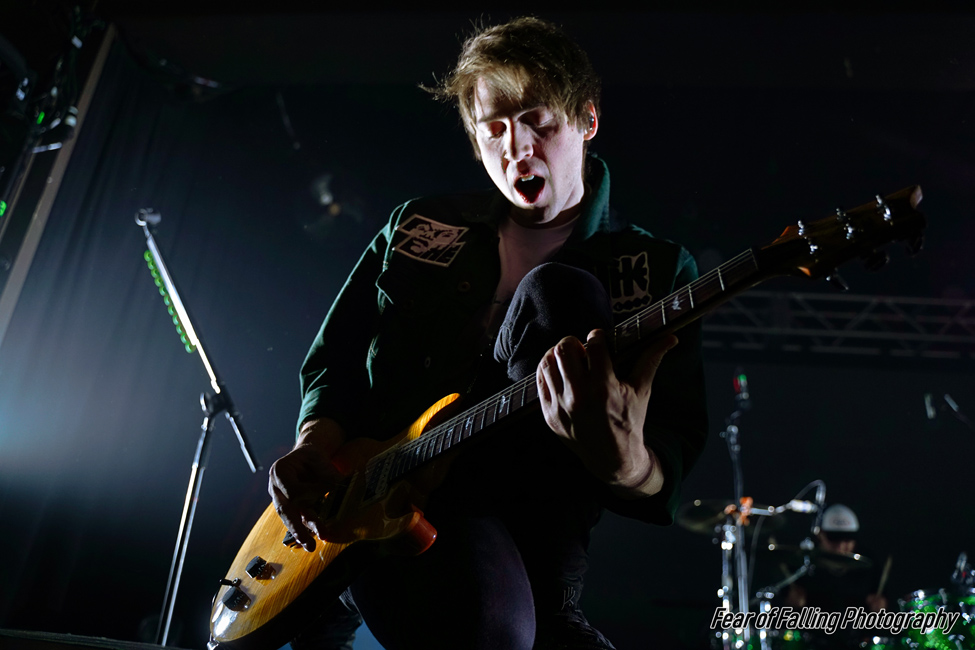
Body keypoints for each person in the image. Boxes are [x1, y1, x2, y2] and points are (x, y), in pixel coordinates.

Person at [267, 16, 709, 650]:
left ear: (587, 120)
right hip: (372, 514)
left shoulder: (655, 271)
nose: (517, 148)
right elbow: (334, 356)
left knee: (561, 294)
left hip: (525, 554)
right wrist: (314, 444)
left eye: (540, 122)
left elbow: (674, 445)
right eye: (494, 129)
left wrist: (628, 462)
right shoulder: (418, 227)